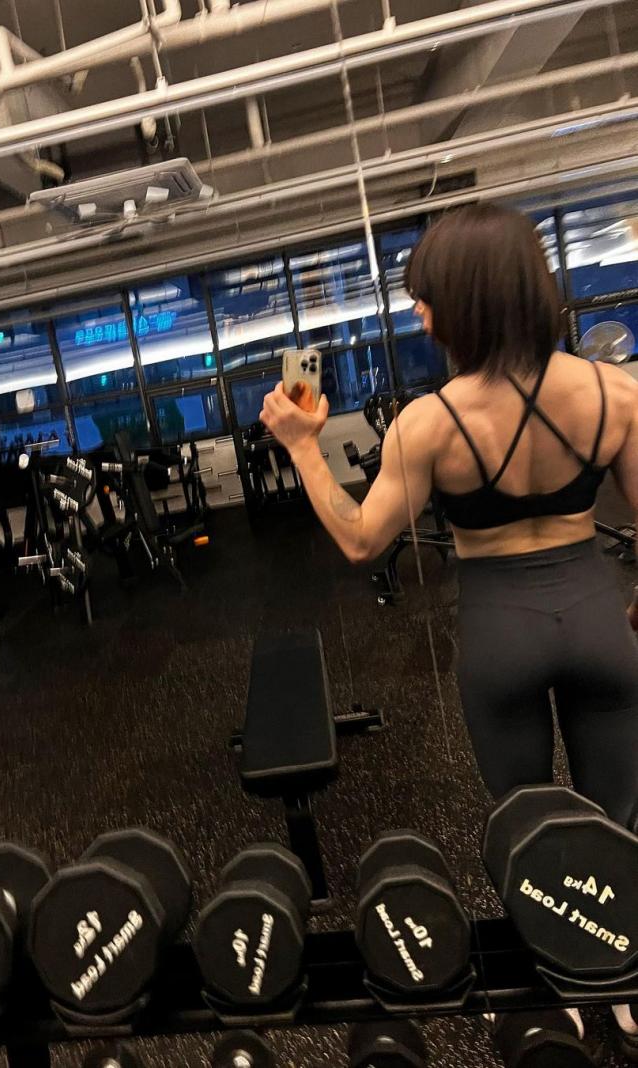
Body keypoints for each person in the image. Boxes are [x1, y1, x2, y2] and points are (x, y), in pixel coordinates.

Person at [261, 202, 638, 1054]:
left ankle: (557, 995)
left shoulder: (429, 422)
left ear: (466, 303)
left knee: (527, 823)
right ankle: (627, 989)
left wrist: (303, 446)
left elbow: (361, 541)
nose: (422, 318)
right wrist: (632, 619)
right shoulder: (617, 392)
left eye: (426, 302)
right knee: (620, 815)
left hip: (500, 632)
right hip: (593, 615)